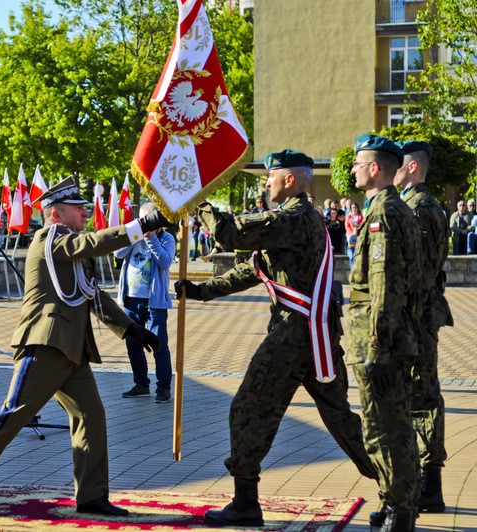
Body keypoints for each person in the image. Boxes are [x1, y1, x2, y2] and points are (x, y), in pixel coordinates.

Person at [0, 177, 171, 517]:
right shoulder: (51, 238)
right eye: (78, 210)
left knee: (91, 415)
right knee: (14, 412)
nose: (84, 214)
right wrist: (141, 226)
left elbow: (92, 293)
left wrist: (133, 329)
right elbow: (93, 243)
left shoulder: (71, 245)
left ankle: (91, 495)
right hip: (45, 344)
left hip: (71, 349)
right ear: (56, 215)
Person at [174, 149, 377, 527]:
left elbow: (229, 233)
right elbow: (252, 271)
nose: (265, 183)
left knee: (248, 409)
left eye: (270, 177)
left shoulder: (294, 218)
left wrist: (196, 203)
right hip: (312, 335)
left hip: (293, 337)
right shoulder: (296, 220)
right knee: (340, 419)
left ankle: (246, 503)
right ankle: (402, 485)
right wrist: (200, 291)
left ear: (289, 180)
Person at [370, 140, 452, 526]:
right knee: (423, 394)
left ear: (413, 168)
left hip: (418, 314)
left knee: (420, 397)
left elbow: (415, 269)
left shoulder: (417, 207)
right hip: (424, 311)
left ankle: (426, 485)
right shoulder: (429, 204)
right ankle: (425, 484)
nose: (396, 171)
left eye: (400, 165)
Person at [347, 134, 422, 531]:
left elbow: (385, 286)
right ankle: (396, 502)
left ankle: (402, 509)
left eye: (359, 163)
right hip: (389, 336)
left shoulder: (384, 215)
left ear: (375, 168)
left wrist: (376, 346)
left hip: (382, 340)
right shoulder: (389, 208)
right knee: (391, 423)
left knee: (384, 428)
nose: (354, 169)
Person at [115, 202, 176, 403]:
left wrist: (150, 239)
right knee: (133, 345)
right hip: (131, 300)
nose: (148, 225)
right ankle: (141, 384)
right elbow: (117, 253)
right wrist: (134, 235)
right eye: (144, 221)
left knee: (159, 346)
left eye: (152, 219)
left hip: (154, 303)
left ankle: (163, 388)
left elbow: (165, 261)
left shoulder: (166, 238)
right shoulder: (133, 236)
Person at [345, 202, 364, 269]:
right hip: (350, 234)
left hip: (359, 235)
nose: (354, 209)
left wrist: (357, 232)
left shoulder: (361, 216)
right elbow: (347, 226)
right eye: (353, 207)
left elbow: (362, 226)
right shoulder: (348, 216)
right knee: (352, 255)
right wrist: (352, 233)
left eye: (355, 207)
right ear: (351, 208)